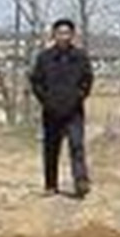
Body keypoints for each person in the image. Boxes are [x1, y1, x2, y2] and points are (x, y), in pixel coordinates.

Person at [28, 17, 94, 197]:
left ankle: (80, 181)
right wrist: (45, 100)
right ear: (54, 35)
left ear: (72, 35)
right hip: (51, 111)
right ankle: (51, 185)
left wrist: (79, 97)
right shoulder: (45, 58)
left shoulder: (80, 57)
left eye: (67, 33)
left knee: (77, 146)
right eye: (60, 33)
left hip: (74, 112)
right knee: (51, 148)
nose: (64, 37)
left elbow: (87, 80)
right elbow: (36, 81)